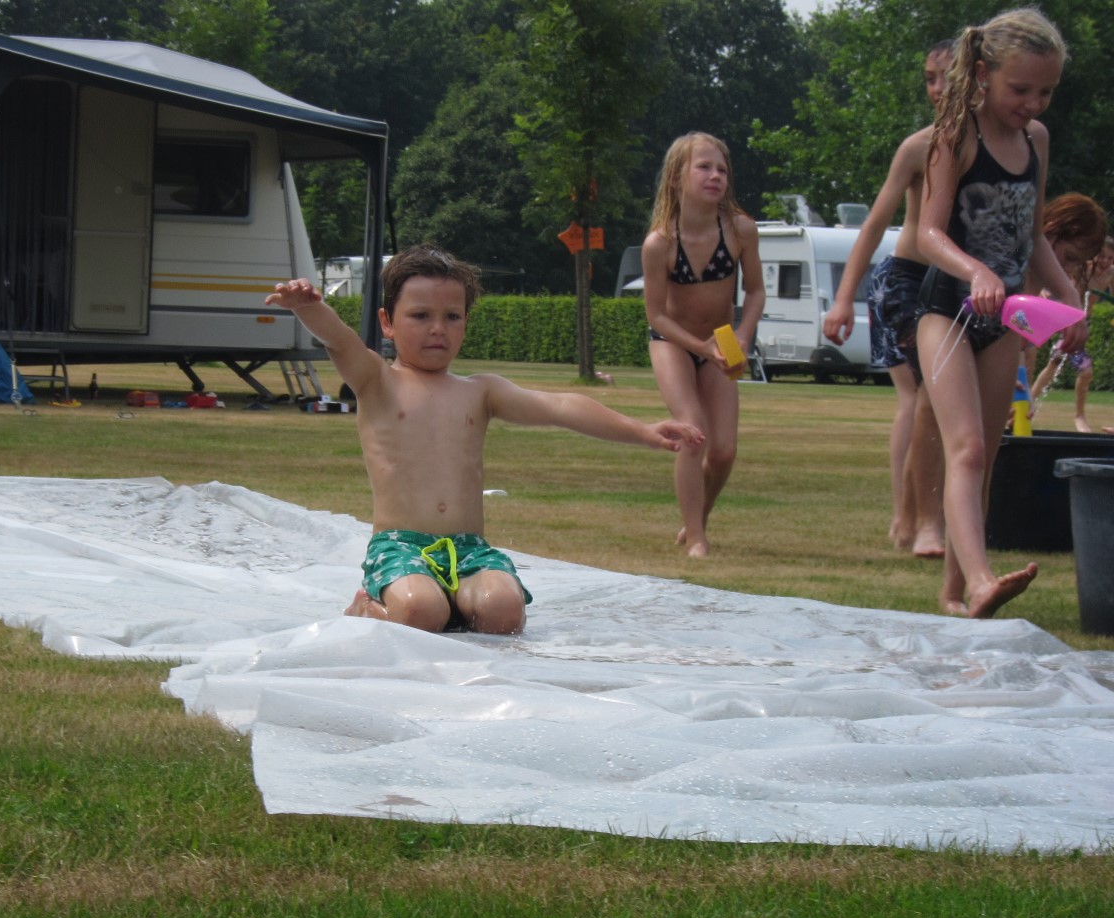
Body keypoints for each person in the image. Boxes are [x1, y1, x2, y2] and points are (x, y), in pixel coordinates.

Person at [264, 245, 704, 635]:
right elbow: (340, 341)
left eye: (451, 317)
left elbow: (562, 406)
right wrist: (307, 307)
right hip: (399, 546)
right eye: (420, 316)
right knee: (419, 611)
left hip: (468, 548)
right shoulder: (376, 380)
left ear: (465, 323)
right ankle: (369, 608)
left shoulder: (480, 391)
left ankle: (452, 607)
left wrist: (643, 431)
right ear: (388, 322)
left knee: (504, 612)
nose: (438, 328)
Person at [914, 8, 1086, 618]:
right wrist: (975, 270)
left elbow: (1033, 232)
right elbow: (929, 233)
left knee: (988, 453)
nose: (1034, 104)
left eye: (1046, 92)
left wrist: (1067, 296)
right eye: (1021, 90)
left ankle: (957, 593)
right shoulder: (955, 137)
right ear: (984, 74)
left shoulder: (1035, 140)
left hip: (1006, 319)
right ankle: (983, 579)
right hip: (947, 312)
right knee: (966, 451)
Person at [823, 41, 954, 559]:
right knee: (923, 400)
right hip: (906, 281)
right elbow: (874, 225)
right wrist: (842, 300)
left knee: (927, 405)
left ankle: (912, 520)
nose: (937, 89)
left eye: (947, 77)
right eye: (929, 78)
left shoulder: (1005, 141)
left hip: (952, 284)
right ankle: (913, 519)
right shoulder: (919, 146)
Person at [641, 132, 764, 557]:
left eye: (722, 169)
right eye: (705, 167)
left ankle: (698, 516)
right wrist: (700, 346)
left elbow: (756, 293)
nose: (716, 176)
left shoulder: (740, 230)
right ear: (677, 177)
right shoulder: (660, 243)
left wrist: (741, 336)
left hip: (723, 340)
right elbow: (656, 315)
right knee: (692, 431)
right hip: (673, 341)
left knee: (725, 450)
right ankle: (696, 538)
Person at [1028, 228, 1112, 431]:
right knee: (1083, 371)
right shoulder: (1082, 268)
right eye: (1102, 256)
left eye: (1110, 258)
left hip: (1081, 325)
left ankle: (1027, 407)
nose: (1105, 262)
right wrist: (1043, 293)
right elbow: (1054, 277)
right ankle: (1078, 417)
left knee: (1053, 366)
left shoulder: (1110, 274)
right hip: (1066, 322)